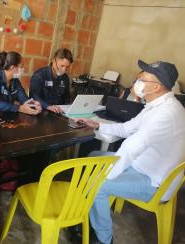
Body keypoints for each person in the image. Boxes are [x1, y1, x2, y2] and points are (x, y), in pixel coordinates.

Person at [75, 60, 185, 244]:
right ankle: (88, 210)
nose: (137, 81)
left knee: (97, 184)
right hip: (143, 165)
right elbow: (127, 129)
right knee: (93, 158)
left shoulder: (167, 113)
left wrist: (103, 176)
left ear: (156, 87)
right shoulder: (156, 105)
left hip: (154, 181)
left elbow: (131, 148)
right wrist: (97, 125)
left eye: (143, 79)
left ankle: (103, 239)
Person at [0, 51, 41, 115]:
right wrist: (19, 108)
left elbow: (23, 98)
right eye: (21, 66)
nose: (23, 69)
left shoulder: (15, 81)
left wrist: (33, 105)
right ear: (13, 67)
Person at [29, 48, 73, 113]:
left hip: (59, 112)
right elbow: (34, 96)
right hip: (42, 111)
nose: (64, 70)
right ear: (54, 61)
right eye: (62, 66)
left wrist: (69, 108)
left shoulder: (65, 77)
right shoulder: (39, 76)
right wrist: (48, 106)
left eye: (67, 67)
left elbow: (66, 97)